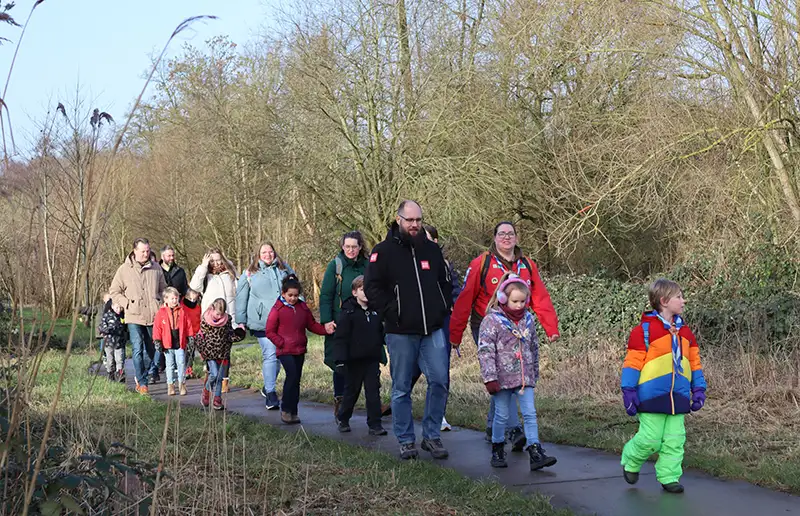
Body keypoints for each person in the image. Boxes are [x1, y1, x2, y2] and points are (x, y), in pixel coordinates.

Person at [450, 221, 560, 450]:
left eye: (510, 234)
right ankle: (513, 429)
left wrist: (551, 328)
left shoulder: (527, 265)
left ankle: (493, 427)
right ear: (495, 238)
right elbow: (465, 298)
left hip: (518, 326)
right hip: (487, 323)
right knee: (503, 374)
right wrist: (455, 334)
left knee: (506, 377)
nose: (507, 238)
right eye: (502, 234)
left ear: (517, 238)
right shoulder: (481, 264)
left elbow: (539, 297)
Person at [364, 200, 453, 460]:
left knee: (440, 381)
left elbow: (445, 283)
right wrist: (392, 311)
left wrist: (443, 307)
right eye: (409, 220)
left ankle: (432, 436)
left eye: (418, 220)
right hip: (400, 332)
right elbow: (372, 288)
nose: (414, 225)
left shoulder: (431, 251)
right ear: (398, 219)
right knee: (401, 387)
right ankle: (405, 440)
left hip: (432, 329)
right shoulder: (383, 252)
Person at [620, 279, 707, 494]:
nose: (683, 300)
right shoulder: (644, 331)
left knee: (675, 440)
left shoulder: (685, 333)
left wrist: (698, 389)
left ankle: (669, 476)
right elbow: (632, 363)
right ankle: (631, 459)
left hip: (678, 397)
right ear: (664, 301)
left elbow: (694, 363)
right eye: (679, 296)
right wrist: (628, 390)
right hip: (651, 396)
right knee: (650, 438)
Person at [478, 272, 557, 470]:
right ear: (503, 298)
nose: (519, 306)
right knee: (502, 415)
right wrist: (490, 378)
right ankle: (497, 448)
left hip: (524, 377)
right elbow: (486, 351)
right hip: (501, 378)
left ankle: (535, 451)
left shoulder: (528, 320)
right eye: (515, 301)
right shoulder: (492, 321)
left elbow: (533, 346)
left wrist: (534, 371)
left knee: (530, 413)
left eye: (523, 301)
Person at [409, 224, 461, 431]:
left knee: (440, 370)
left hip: (441, 322)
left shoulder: (446, 265)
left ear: (435, 241)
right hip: (413, 323)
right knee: (411, 369)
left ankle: (439, 416)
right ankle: (399, 402)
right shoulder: (408, 262)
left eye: (428, 237)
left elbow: (456, 293)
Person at [265, 276, 335, 425]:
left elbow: (312, 325)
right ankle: (285, 409)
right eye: (290, 295)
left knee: (296, 380)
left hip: (299, 349)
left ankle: (293, 411)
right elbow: (270, 331)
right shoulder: (277, 309)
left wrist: (325, 330)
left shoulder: (302, 308)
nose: (293, 298)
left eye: (296, 295)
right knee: (292, 376)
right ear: (283, 293)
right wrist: (281, 343)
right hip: (285, 350)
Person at [235, 242, 296, 410]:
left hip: (284, 321)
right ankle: (270, 394)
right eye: (264, 252)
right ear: (258, 254)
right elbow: (241, 298)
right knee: (270, 354)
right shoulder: (249, 273)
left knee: (279, 356)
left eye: (270, 251)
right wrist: (241, 322)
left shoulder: (285, 270)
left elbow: (297, 291)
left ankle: (267, 385)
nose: (268, 254)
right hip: (262, 321)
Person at [319, 231, 370, 419]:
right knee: (339, 363)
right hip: (340, 322)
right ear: (342, 247)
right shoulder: (336, 266)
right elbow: (326, 295)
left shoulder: (367, 265)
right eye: (347, 246)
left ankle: (373, 402)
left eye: (354, 246)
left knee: (368, 362)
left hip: (363, 323)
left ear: (360, 247)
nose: (351, 250)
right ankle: (340, 403)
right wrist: (326, 321)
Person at [109, 238, 167, 394]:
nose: (146, 254)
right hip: (134, 314)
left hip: (153, 314)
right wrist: (126, 303)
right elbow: (114, 291)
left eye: (148, 251)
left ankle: (144, 373)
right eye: (143, 251)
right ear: (134, 251)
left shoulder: (156, 268)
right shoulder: (124, 269)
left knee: (152, 350)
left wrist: (161, 302)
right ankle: (142, 382)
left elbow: (164, 289)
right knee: (137, 348)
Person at [333, 275, 387, 436]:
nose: (366, 293)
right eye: (362, 290)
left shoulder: (376, 312)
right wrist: (340, 360)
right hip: (353, 360)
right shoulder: (348, 312)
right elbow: (341, 338)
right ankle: (343, 418)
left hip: (371, 358)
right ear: (355, 292)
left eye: (368, 290)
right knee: (351, 392)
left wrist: (382, 354)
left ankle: (375, 424)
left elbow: (381, 334)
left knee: (373, 392)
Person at [190, 248, 238, 393]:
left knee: (225, 352)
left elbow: (239, 290)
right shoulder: (205, 276)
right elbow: (194, 286)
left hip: (228, 319)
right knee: (212, 352)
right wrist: (203, 266)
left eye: (219, 259)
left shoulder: (229, 274)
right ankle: (211, 376)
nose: (217, 263)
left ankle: (224, 381)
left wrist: (229, 264)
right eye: (213, 260)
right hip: (210, 322)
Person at [194, 298, 245, 410]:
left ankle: (217, 399)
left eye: (221, 314)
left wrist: (239, 334)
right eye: (217, 314)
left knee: (220, 377)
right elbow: (201, 337)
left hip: (223, 352)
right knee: (214, 374)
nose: (219, 317)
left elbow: (229, 335)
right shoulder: (205, 319)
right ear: (212, 309)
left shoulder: (227, 320)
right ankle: (206, 390)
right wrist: (203, 350)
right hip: (210, 353)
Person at [153, 287, 194, 396]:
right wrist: (157, 340)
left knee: (181, 363)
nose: (174, 301)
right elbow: (157, 328)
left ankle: (182, 384)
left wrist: (190, 337)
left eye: (176, 298)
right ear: (165, 299)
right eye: (172, 298)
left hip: (179, 341)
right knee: (169, 364)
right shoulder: (161, 312)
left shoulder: (182, 311)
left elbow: (188, 324)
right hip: (167, 343)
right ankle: (170, 385)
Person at [97, 293, 127, 383]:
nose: (119, 310)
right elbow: (101, 326)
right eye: (117, 308)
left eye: (120, 308)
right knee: (110, 360)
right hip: (109, 342)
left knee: (120, 359)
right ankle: (110, 373)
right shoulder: (107, 316)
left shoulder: (122, 317)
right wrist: (107, 330)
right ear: (113, 307)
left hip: (119, 342)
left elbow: (125, 328)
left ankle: (120, 374)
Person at [182, 288, 202, 378]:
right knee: (186, 352)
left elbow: (199, 319)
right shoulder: (182, 306)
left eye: (195, 299)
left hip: (195, 332)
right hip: (185, 333)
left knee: (191, 352)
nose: (193, 301)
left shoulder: (198, 307)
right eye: (190, 299)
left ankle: (189, 369)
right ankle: (185, 369)